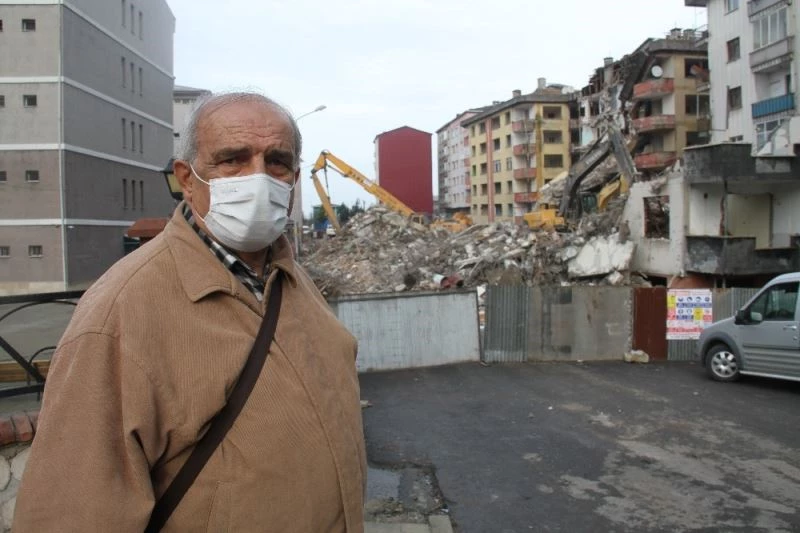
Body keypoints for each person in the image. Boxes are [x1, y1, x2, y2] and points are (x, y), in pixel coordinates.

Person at [13, 92, 367, 532]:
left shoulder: (290, 278)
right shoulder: (120, 313)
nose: (258, 178)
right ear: (187, 178)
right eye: (233, 159)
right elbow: (73, 514)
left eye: (276, 161)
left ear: (294, 180)